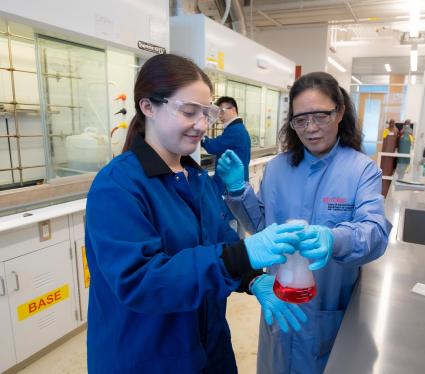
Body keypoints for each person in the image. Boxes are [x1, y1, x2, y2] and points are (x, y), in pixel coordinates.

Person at [84, 54, 314, 374]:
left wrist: (251, 278)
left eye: (207, 114)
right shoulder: (118, 186)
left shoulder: (194, 176)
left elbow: (217, 237)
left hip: (206, 346)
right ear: (148, 107)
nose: (203, 126)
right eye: (190, 112)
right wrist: (240, 256)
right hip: (147, 356)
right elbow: (142, 281)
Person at [216, 71, 391, 373]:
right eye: (300, 120)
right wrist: (237, 190)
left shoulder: (361, 170)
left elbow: (374, 233)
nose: (310, 128)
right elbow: (261, 228)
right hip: (280, 306)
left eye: (320, 116)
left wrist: (334, 239)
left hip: (328, 310)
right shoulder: (277, 168)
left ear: (339, 112)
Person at [201, 96, 251, 196]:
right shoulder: (238, 128)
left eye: (222, 111)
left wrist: (202, 136)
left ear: (232, 110)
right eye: (218, 112)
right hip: (234, 181)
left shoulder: (235, 131)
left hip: (229, 184)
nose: (219, 116)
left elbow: (214, 147)